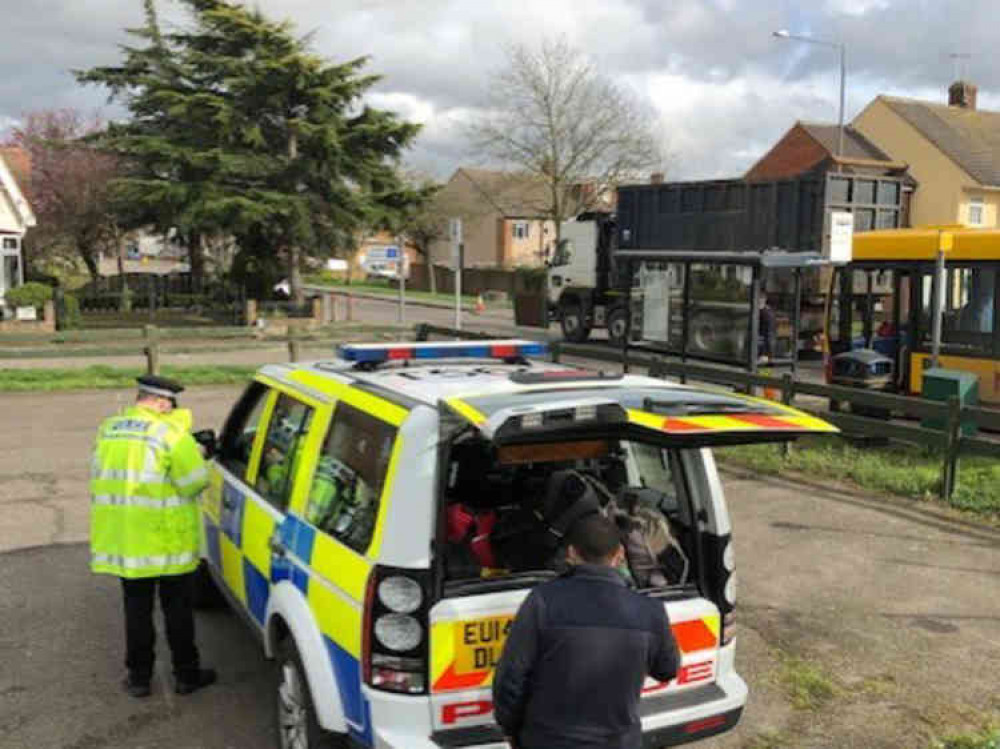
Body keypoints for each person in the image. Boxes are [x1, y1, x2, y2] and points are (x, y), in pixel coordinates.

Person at [492, 514, 680, 749]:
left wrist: (510, 728)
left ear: (571, 553)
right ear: (620, 555)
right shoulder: (650, 611)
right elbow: (667, 669)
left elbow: (511, 678)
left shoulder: (542, 601)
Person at [90, 375, 216, 699]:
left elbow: (99, 473)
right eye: (170, 404)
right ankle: (187, 675)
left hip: (126, 541)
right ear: (162, 402)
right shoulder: (170, 434)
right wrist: (199, 453)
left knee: (136, 611)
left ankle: (139, 678)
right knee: (177, 611)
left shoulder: (109, 429)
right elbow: (194, 482)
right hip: (166, 541)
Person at [758, 292, 777, 362]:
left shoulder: (767, 313)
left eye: (760, 299)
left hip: (764, 346)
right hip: (762, 344)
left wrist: (768, 350)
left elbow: (769, 332)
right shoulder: (764, 311)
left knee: (764, 365)